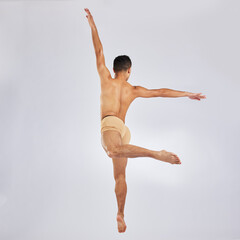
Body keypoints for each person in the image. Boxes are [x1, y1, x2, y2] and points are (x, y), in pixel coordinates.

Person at [84, 8, 206, 233]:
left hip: (111, 125)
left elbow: (98, 50)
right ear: (129, 71)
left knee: (113, 151)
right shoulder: (134, 89)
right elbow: (161, 91)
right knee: (119, 174)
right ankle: (120, 213)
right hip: (123, 131)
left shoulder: (106, 78)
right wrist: (188, 93)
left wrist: (92, 25)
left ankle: (156, 154)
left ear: (114, 69)